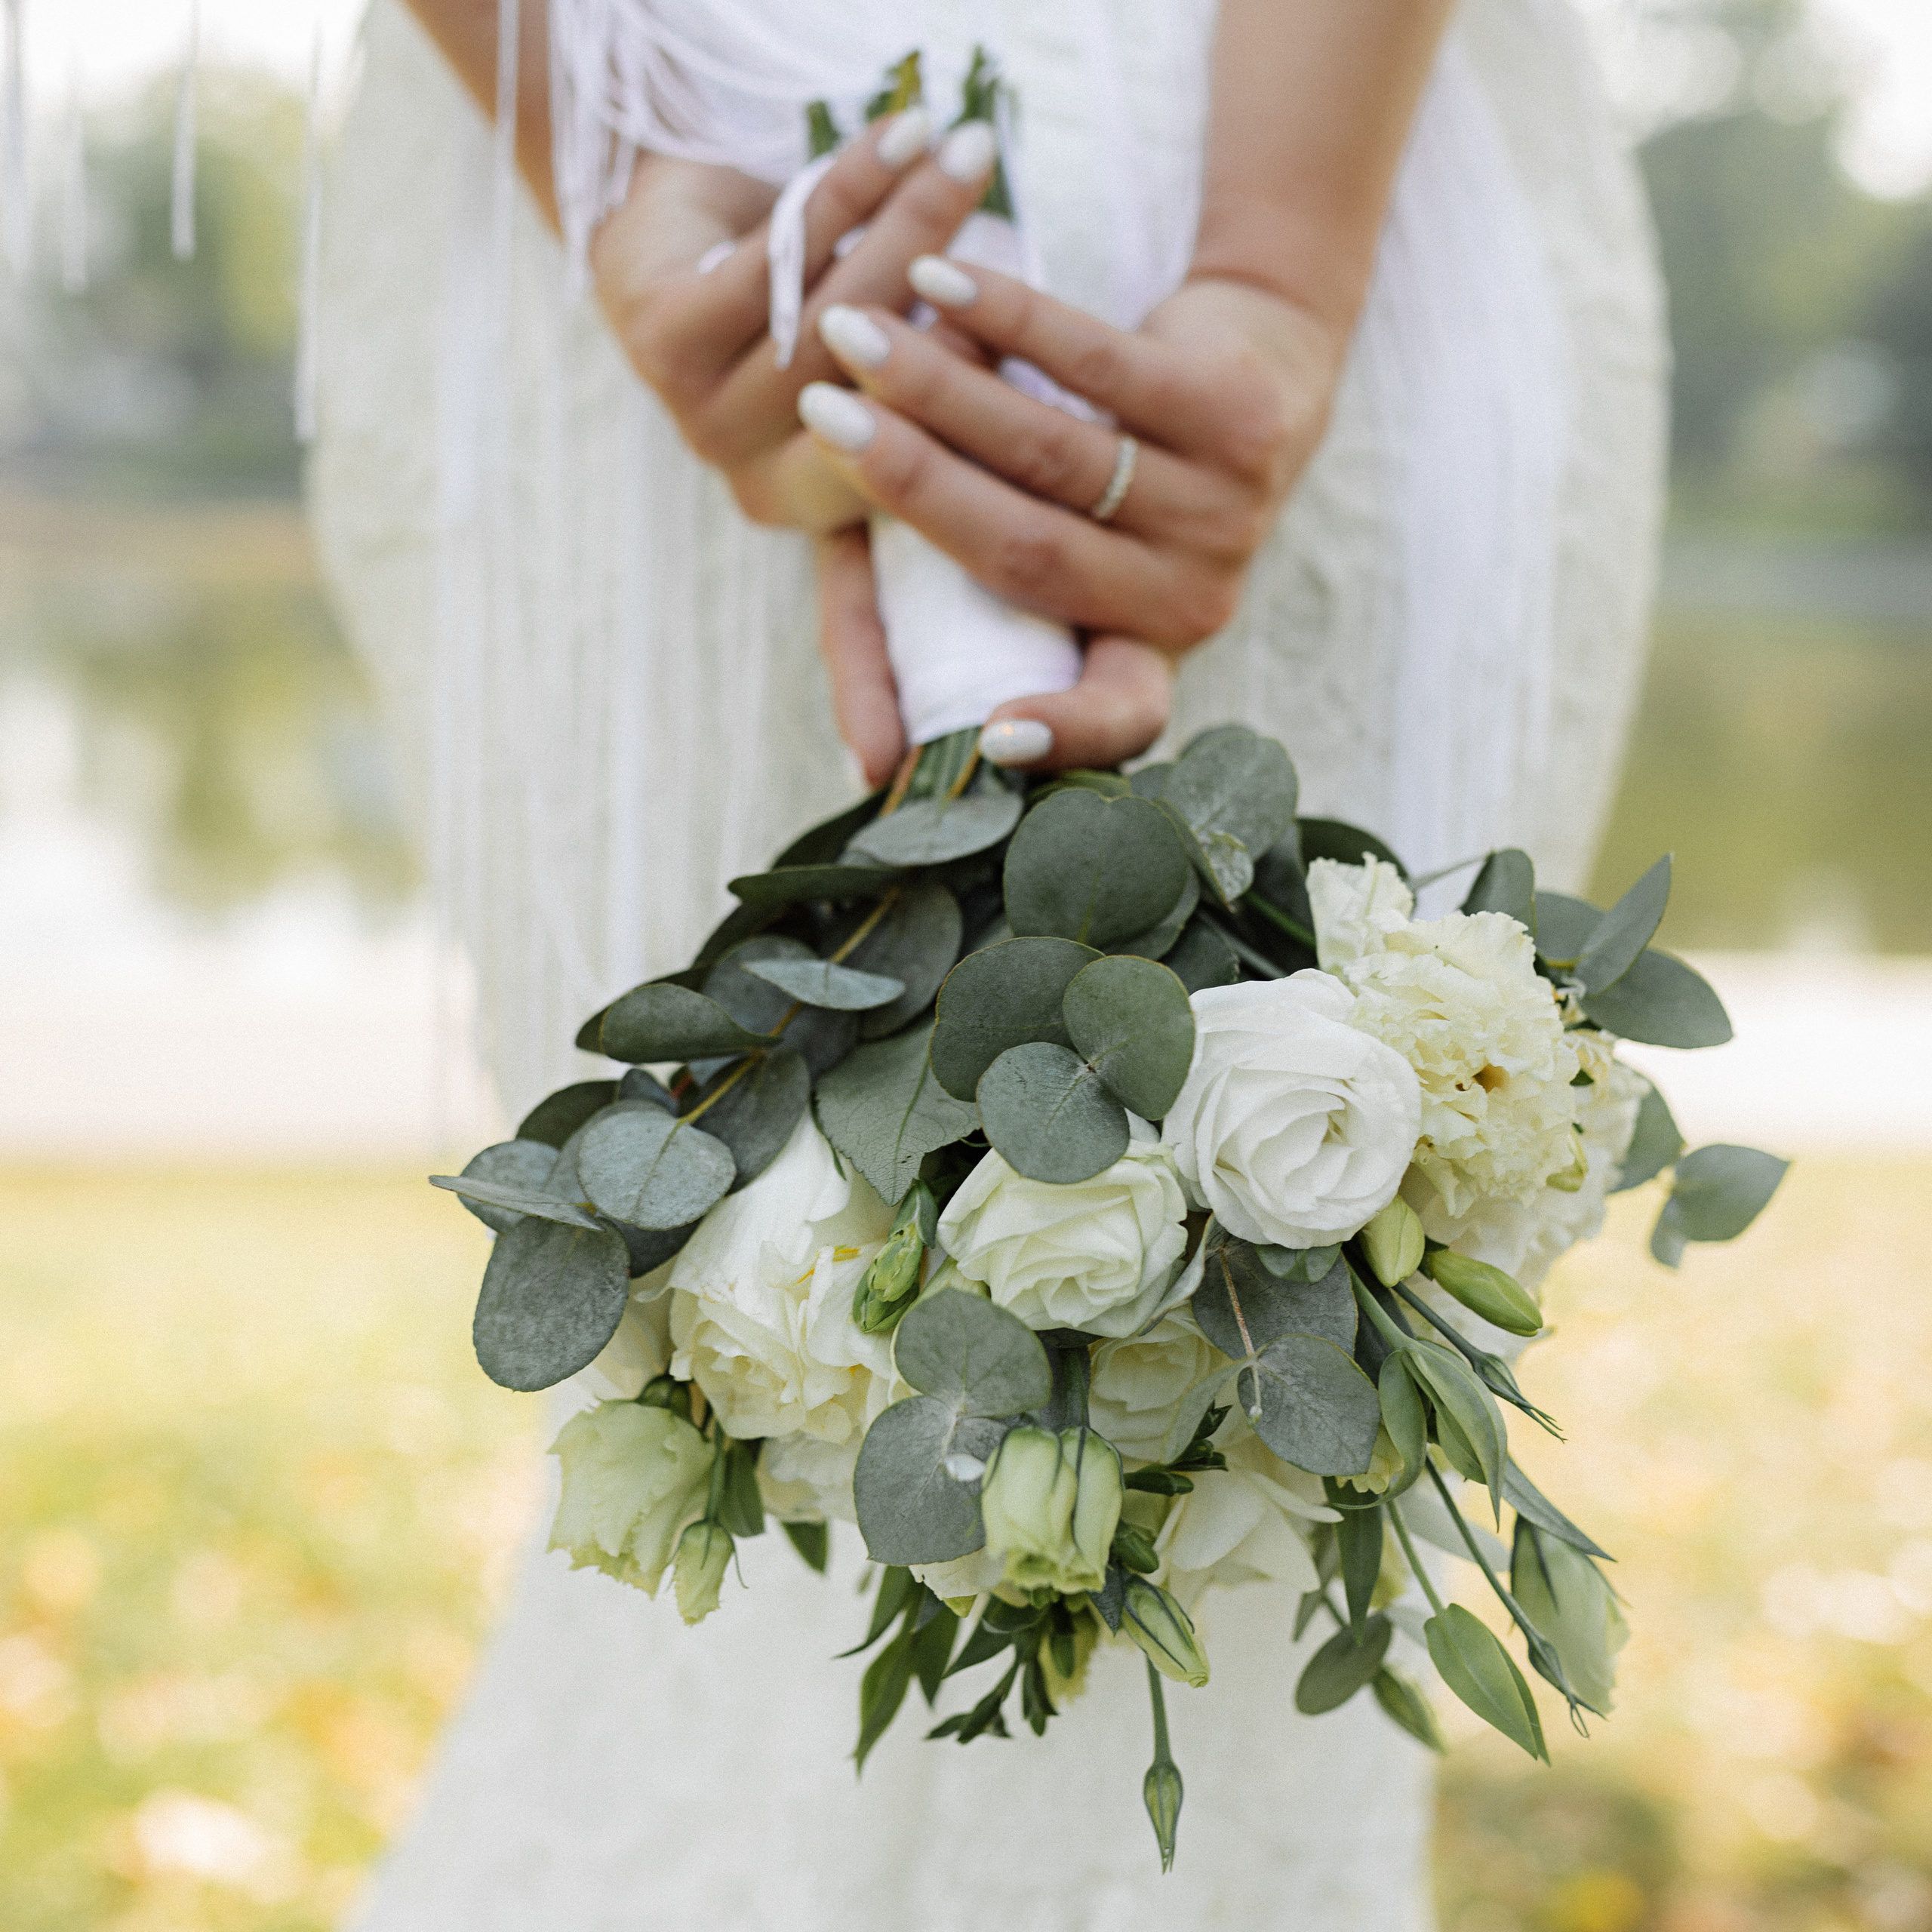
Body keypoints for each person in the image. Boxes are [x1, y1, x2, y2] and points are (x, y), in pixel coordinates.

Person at [309, 2, 1665, 1925]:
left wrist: (1278, 268)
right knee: (728, 1352)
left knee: (1272, 1467)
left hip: (1322, 139)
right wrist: (614, 146)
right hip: (631, 146)